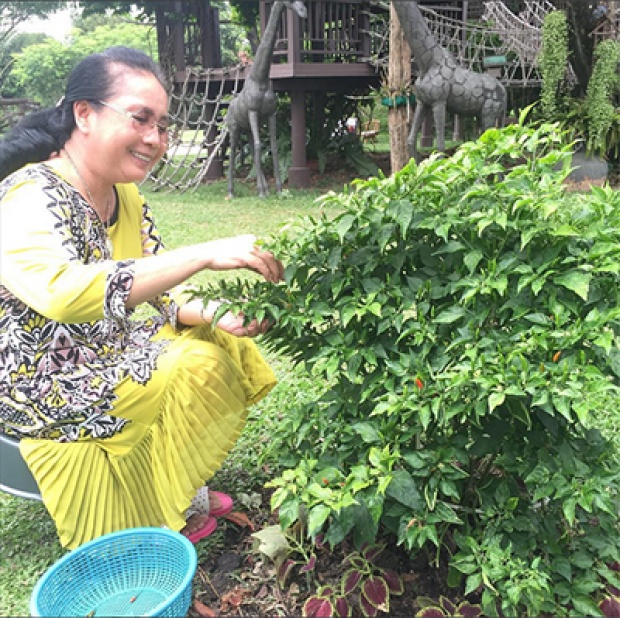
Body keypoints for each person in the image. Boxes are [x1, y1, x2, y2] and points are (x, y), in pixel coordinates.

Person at [0, 46, 284, 549]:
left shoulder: (123, 192)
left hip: (107, 346)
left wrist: (220, 313)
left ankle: (174, 489)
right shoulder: (29, 195)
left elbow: (163, 278)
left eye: (163, 124)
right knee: (190, 364)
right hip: (46, 379)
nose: (155, 139)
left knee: (216, 340)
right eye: (140, 119)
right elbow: (62, 293)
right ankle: (152, 512)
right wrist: (204, 252)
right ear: (84, 113)